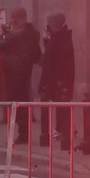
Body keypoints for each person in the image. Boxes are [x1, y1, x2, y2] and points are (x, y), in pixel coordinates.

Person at [0, 6, 41, 144]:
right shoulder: (34, 33)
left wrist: (0, 33)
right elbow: (36, 52)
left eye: (13, 18)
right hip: (26, 70)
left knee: (16, 103)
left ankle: (22, 134)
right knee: (24, 101)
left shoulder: (15, 35)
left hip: (14, 70)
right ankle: (24, 132)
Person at [39, 12, 75, 148]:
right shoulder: (56, 37)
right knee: (57, 104)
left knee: (62, 105)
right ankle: (59, 131)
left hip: (58, 79)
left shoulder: (62, 39)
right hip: (53, 78)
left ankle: (62, 131)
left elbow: (57, 59)